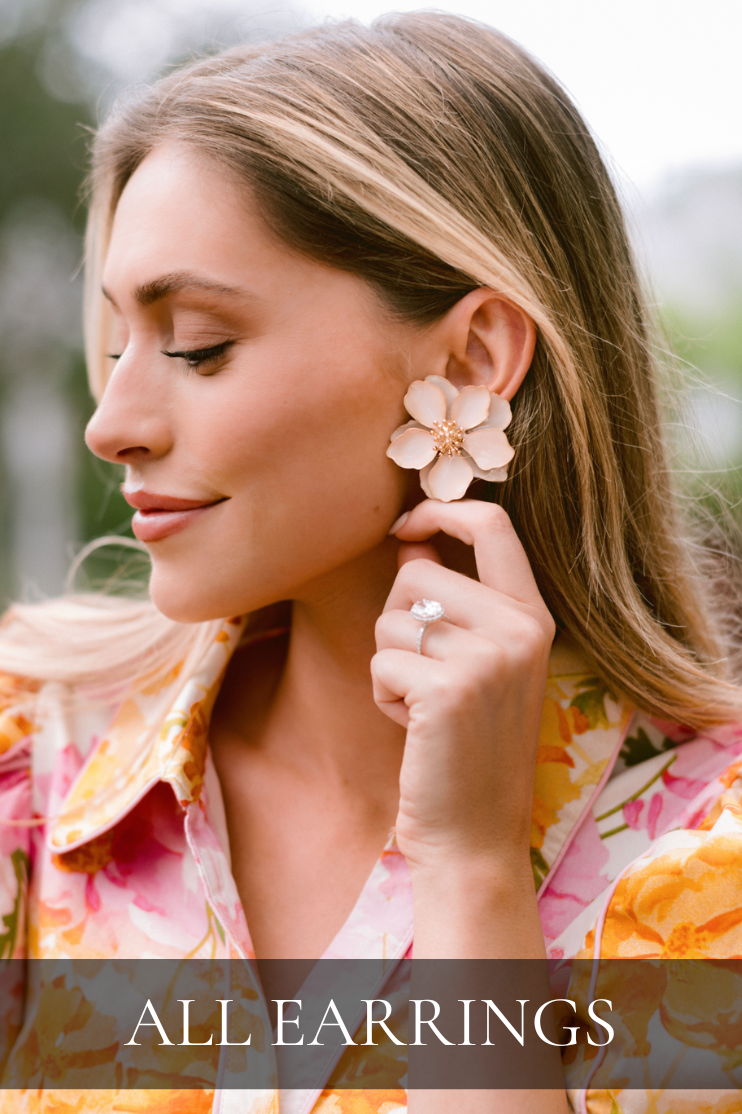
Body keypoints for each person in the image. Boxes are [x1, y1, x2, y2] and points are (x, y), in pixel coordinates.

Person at [2, 12, 742, 1113]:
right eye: (116, 344)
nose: (112, 422)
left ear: (470, 359)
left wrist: (473, 874)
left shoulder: (708, 850)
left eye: (197, 343)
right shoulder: (32, 748)